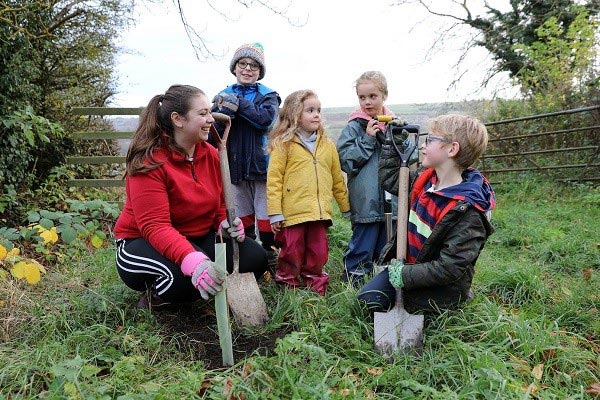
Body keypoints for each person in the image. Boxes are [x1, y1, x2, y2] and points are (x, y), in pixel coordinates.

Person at [114, 84, 268, 308]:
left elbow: (218, 205)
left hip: (195, 236)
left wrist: (223, 224)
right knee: (180, 282)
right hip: (141, 241)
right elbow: (155, 227)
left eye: (210, 112)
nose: (211, 119)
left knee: (255, 258)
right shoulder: (150, 162)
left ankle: (198, 279)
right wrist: (192, 261)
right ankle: (154, 298)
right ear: (178, 119)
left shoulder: (211, 155)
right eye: (203, 113)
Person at [357, 114, 496, 313]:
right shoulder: (425, 180)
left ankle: (456, 302)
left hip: (439, 286)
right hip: (408, 268)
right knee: (367, 301)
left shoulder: (467, 210)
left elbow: (450, 267)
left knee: (418, 313)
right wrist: (392, 144)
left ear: (452, 149)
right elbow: (391, 179)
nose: (423, 146)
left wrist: (405, 276)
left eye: (430, 140)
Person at [266, 90, 351, 295]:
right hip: (293, 213)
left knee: (318, 252)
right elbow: (274, 181)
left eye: (318, 110)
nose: (316, 115)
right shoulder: (283, 145)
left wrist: (345, 207)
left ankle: (316, 286)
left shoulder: (327, 146)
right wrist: (275, 212)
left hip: (319, 212)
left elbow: (337, 179)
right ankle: (288, 285)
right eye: (310, 110)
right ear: (294, 115)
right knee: (292, 251)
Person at [211, 42, 281, 266]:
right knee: (241, 215)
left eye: (254, 65)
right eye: (243, 64)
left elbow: (264, 121)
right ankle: (249, 259)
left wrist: (238, 104)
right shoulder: (223, 94)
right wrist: (221, 111)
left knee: (265, 215)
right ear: (235, 67)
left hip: (262, 166)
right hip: (234, 166)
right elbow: (215, 129)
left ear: (260, 71)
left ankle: (272, 259)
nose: (248, 69)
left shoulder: (268, 95)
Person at [336, 71, 396, 287]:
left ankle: (381, 285)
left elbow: (411, 157)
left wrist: (397, 138)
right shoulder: (354, 127)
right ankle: (353, 284)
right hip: (366, 201)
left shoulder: (395, 125)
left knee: (388, 246)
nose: (367, 102)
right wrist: (367, 139)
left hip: (393, 202)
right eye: (362, 98)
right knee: (362, 245)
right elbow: (346, 161)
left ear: (384, 96)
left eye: (373, 96)